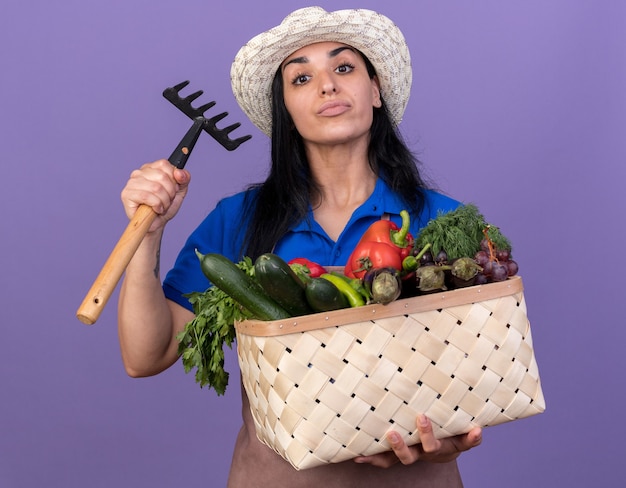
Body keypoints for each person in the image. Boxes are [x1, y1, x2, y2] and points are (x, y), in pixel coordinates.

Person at [118, 7, 482, 488]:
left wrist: (454, 437)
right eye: (301, 77)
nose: (327, 86)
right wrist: (148, 235)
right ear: (285, 110)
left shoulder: (444, 222)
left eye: (344, 68)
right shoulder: (238, 221)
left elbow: (478, 371)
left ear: (376, 92)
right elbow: (147, 355)